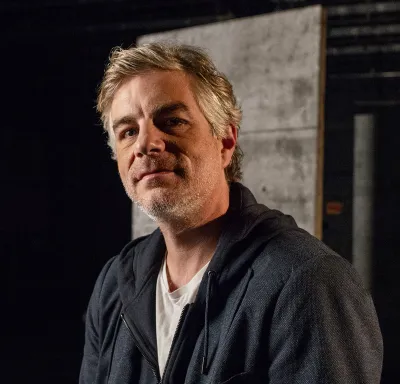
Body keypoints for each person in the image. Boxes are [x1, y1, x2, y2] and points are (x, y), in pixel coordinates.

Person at [80, 43, 383, 384]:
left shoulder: (309, 283)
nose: (145, 144)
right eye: (128, 132)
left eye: (173, 121)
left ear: (225, 142)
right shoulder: (115, 284)